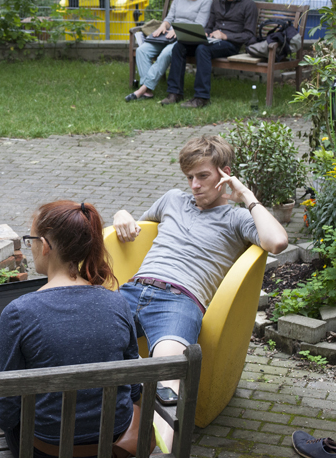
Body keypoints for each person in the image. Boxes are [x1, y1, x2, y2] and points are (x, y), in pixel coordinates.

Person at [112, 135, 287, 445]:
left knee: (168, 377)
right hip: (132, 289)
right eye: (190, 177)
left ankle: (162, 452)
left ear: (225, 174)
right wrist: (120, 215)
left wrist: (245, 194)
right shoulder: (172, 199)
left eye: (203, 176)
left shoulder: (237, 218)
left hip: (179, 302)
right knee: (78, 338)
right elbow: (137, 227)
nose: (194, 185)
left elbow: (277, 241)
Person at [0, 200, 142, 458]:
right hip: (113, 441)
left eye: (31, 239)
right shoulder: (118, 303)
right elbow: (134, 388)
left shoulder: (19, 312)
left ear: (45, 247)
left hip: (47, 450)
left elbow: (7, 412)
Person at [161, 0, 258, 108]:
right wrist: (204, 33)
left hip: (231, 44)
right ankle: (174, 93)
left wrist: (226, 36)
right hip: (211, 41)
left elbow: (249, 35)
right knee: (179, 47)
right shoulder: (217, 2)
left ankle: (201, 97)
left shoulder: (248, 5)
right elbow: (209, 26)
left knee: (202, 49)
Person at [125, 0, 212, 102]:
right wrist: (163, 26)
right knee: (142, 51)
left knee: (166, 53)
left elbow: (199, 25)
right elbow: (169, 18)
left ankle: (143, 89)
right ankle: (148, 91)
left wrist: (177, 30)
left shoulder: (206, 1)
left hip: (184, 39)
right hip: (167, 35)